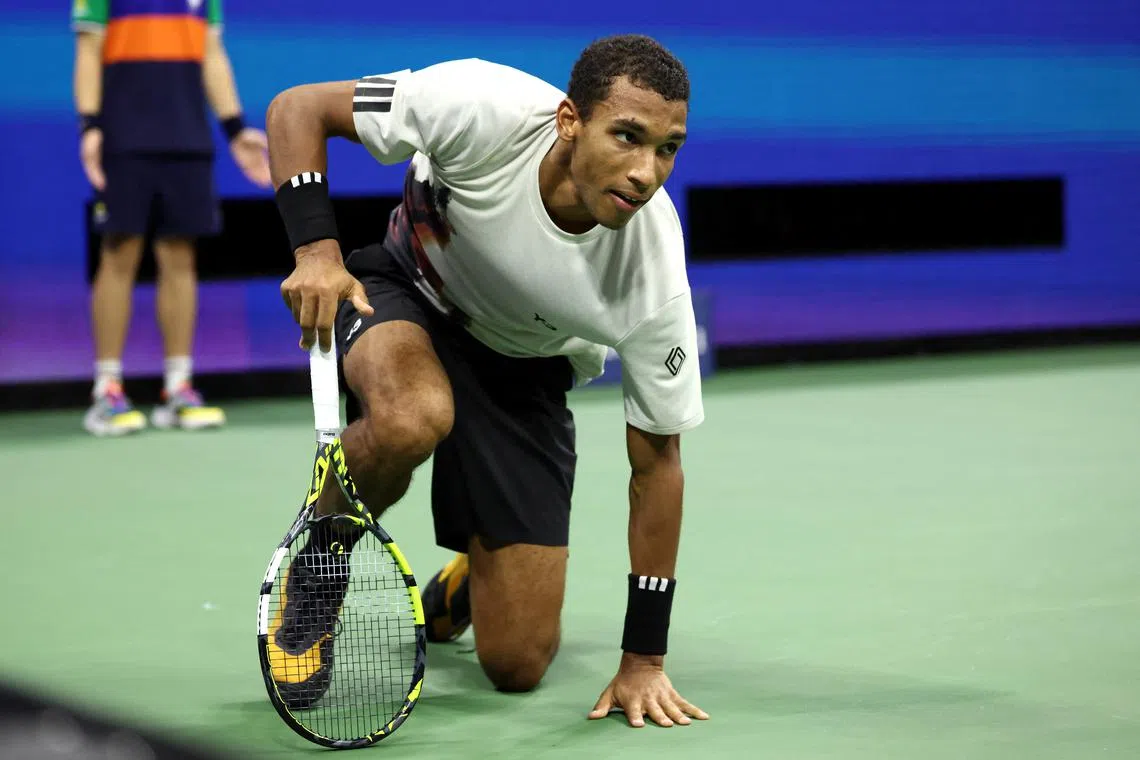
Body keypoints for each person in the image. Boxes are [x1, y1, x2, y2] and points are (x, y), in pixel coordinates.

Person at [267, 34, 710, 728]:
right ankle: (319, 563)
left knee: (518, 663)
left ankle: (470, 579)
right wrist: (317, 251)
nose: (647, 171)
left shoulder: (650, 269)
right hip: (410, 291)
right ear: (570, 121)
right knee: (414, 415)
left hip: (523, 367)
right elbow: (298, 109)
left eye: (667, 148)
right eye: (627, 136)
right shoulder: (481, 106)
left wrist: (643, 659)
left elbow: (658, 465)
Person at [72, 0, 272, 436]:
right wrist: (90, 126)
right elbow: (89, 50)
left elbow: (212, 55)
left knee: (180, 258)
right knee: (119, 253)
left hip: (187, 138)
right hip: (124, 138)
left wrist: (235, 130)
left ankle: (177, 388)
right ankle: (107, 391)